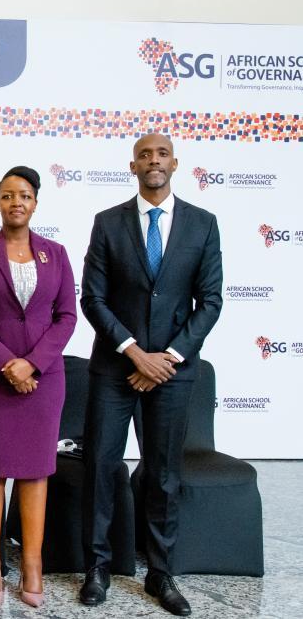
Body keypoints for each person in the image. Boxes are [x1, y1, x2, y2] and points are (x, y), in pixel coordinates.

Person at [79, 133, 222, 617]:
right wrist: (136, 353)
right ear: (132, 165)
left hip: (174, 372)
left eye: (161, 154)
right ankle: (97, 566)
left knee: (163, 474)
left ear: (175, 164)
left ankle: (161, 572)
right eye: (145, 154)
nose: (153, 161)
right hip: (116, 367)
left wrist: (168, 358)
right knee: (101, 467)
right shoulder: (107, 223)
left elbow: (211, 302)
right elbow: (92, 299)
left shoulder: (203, 225)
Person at [0, 166, 77, 608]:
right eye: (7, 196)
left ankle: (32, 563)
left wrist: (32, 365)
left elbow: (67, 316)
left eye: (24, 195)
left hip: (44, 382)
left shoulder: (56, 253)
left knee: (35, 471)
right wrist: (7, 363)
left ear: (36, 202)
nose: (16, 203)